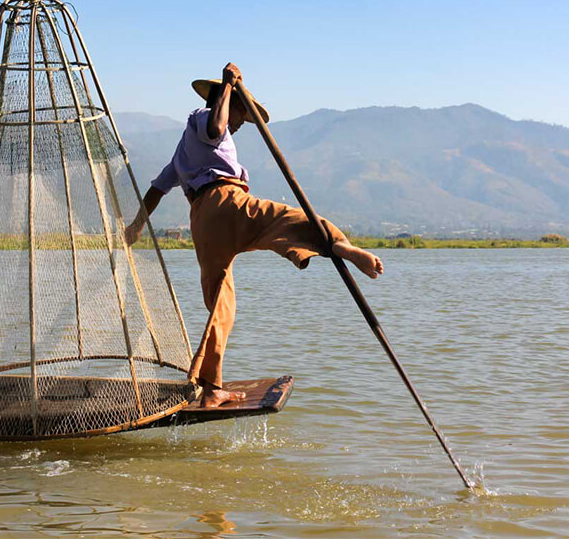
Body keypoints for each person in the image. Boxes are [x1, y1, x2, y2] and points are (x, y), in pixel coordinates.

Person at [126, 63, 383, 408]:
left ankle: (211, 387)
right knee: (287, 220)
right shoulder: (203, 119)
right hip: (225, 202)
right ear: (225, 101)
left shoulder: (184, 151)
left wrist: (136, 226)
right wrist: (228, 87)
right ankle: (341, 246)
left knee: (222, 305)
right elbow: (217, 125)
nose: (237, 126)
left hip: (202, 223)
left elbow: (156, 190)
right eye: (239, 117)